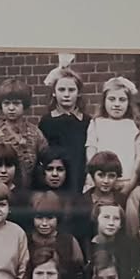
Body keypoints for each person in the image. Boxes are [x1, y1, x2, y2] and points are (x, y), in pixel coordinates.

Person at [0, 78, 48, 189]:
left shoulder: (35, 133)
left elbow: (46, 160)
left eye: (16, 103)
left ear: (24, 104)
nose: (11, 108)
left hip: (29, 190)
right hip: (0, 190)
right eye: (6, 103)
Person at [85, 76, 140, 195]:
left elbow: (139, 157)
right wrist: (92, 175)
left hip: (126, 181)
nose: (117, 104)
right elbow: (91, 151)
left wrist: (132, 181)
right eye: (112, 99)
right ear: (104, 101)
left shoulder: (134, 125)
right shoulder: (96, 123)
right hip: (102, 181)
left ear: (129, 103)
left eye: (122, 100)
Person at [38, 64, 91, 193]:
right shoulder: (47, 121)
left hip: (79, 175)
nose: (66, 94)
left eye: (71, 90)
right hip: (56, 177)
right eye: (61, 90)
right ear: (54, 93)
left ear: (78, 93)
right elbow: (44, 154)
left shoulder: (87, 121)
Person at [27, 191, 85, 279]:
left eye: (50, 218)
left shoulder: (69, 241)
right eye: (39, 218)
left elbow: (79, 272)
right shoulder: (25, 240)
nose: (44, 223)